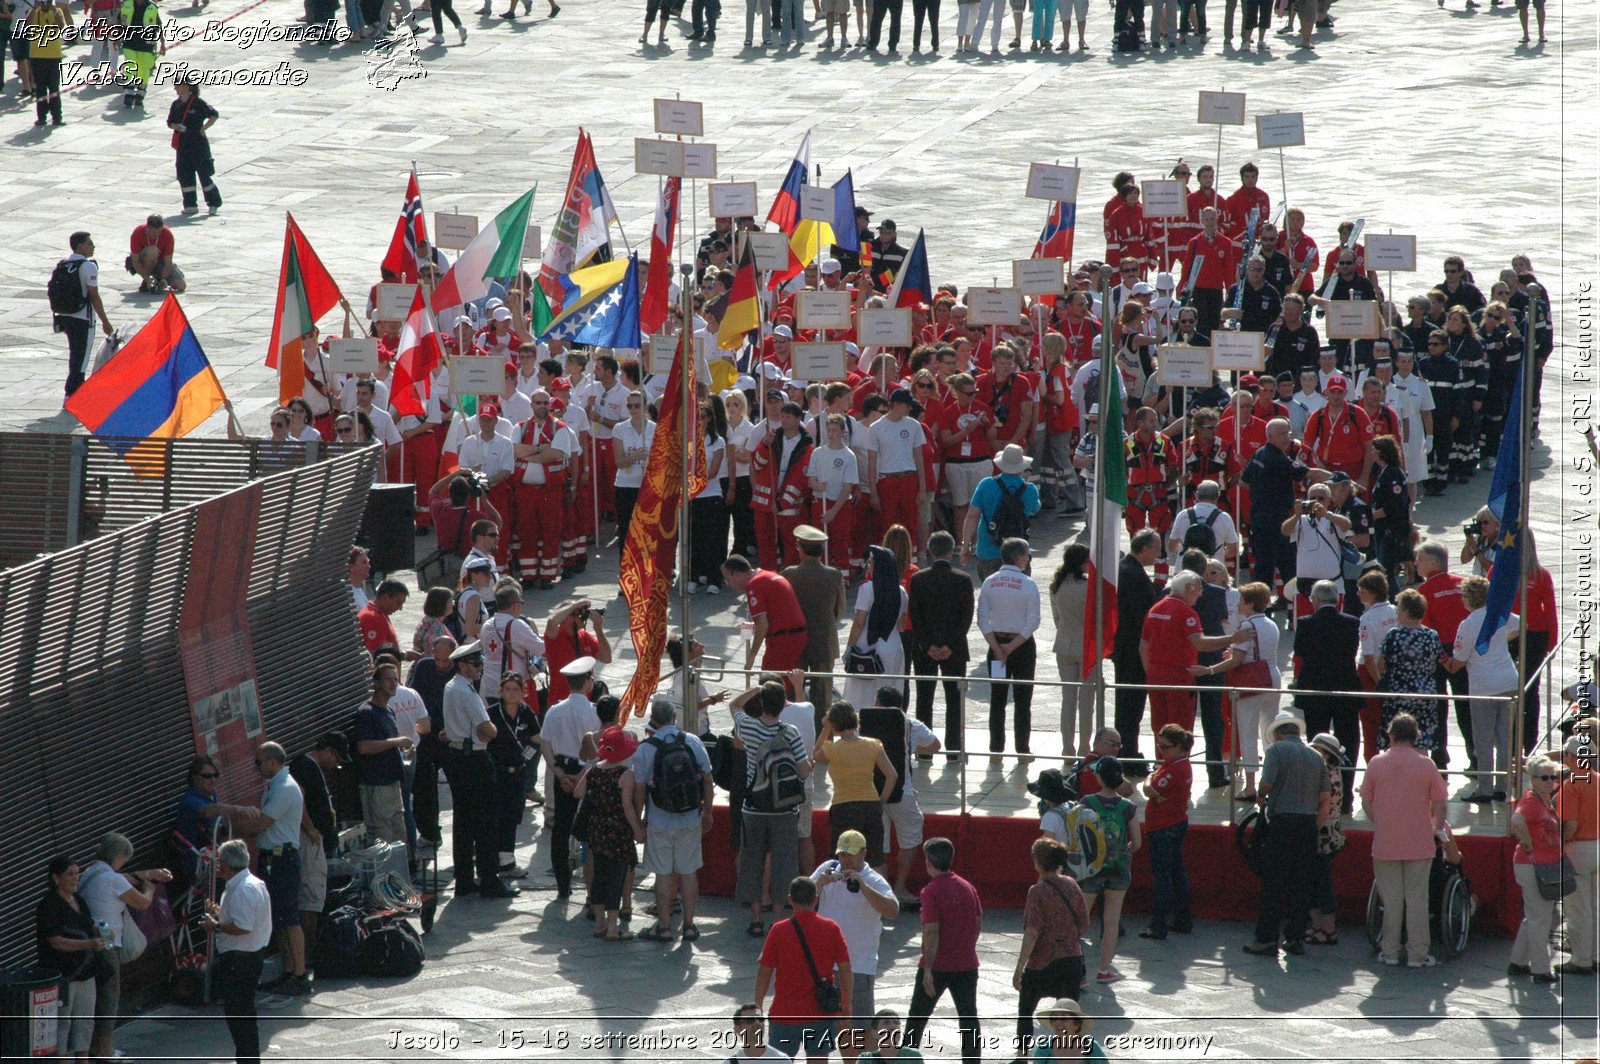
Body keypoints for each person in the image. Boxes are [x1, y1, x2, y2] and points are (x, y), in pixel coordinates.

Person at [1359, 713, 1449, 968]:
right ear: (1415, 737)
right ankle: (1417, 954)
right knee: (1417, 901)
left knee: (1392, 901)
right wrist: (1437, 827)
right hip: (1419, 841)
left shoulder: (1376, 763)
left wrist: (1380, 820)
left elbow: (1366, 799)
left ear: (1391, 735)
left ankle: (1390, 952)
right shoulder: (1426, 765)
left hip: (1387, 841)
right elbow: (1440, 802)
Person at [78, 833, 172, 1059]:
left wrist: (147, 874)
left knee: (95, 998)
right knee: (110, 997)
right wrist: (149, 888)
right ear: (118, 856)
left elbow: (124, 878)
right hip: (108, 945)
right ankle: (104, 1049)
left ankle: (89, 1047)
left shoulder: (89, 873)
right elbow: (142, 903)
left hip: (89, 944)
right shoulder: (113, 880)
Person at [1243, 709, 1328, 958]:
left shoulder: (1276, 751)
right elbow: (1324, 798)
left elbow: (1267, 782)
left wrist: (1260, 798)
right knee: (1301, 883)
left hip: (1283, 823)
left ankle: (1266, 938)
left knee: (1274, 882)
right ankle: (1295, 937)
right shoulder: (1316, 756)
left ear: (1279, 734)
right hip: (1307, 824)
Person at [734, 681, 814, 938]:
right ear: (782, 706)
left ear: (760, 703)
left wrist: (757, 688)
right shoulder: (790, 732)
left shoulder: (747, 726)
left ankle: (757, 918)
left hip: (753, 807)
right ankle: (778, 921)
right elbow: (802, 771)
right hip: (783, 811)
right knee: (783, 864)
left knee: (753, 862)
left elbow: (733, 704)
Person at [634, 697, 715, 943]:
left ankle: (665, 926)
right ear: (674, 718)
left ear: (653, 721)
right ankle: (689, 925)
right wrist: (708, 811)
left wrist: (639, 822)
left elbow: (639, 791)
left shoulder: (646, 749)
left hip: (659, 821)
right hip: (690, 817)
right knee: (689, 872)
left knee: (663, 874)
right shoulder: (692, 742)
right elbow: (708, 780)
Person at [811, 829, 898, 1057]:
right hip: (826, 966)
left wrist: (863, 887)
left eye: (850, 855)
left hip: (858, 965)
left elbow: (893, 910)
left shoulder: (872, 879)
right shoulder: (827, 869)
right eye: (842, 854)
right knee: (834, 1026)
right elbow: (800, 900)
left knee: (861, 1027)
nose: (845, 860)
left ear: (863, 854)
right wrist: (818, 884)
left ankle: (867, 1062)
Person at [442, 641, 516, 899]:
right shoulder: (467, 692)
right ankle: (489, 879)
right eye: (475, 664)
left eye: (481, 663)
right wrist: (493, 729)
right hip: (474, 758)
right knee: (486, 821)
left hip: (456, 755)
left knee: (463, 821)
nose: (480, 668)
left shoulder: (451, 687)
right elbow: (486, 730)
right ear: (462, 665)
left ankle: (464, 879)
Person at [755, 877, 853, 1064]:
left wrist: (758, 1004)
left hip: (784, 1014)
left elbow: (765, 971)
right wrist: (846, 1005)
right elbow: (846, 970)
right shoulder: (831, 928)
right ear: (816, 900)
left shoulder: (779, 930)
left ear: (790, 899)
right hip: (820, 1014)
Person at [904, 837, 982, 1064]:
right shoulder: (968, 887)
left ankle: (905, 1060)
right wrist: (965, 947)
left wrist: (928, 967)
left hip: (938, 966)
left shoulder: (930, 891)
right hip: (967, 964)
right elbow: (978, 925)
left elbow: (931, 931)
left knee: (917, 1019)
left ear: (928, 862)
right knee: (968, 1018)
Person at [1450, 575, 1521, 802]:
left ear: (1469, 598)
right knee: (1504, 738)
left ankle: (1484, 788)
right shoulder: (1499, 615)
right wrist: (1502, 640)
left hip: (1484, 687)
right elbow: (1521, 624)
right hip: (1509, 681)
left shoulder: (1468, 624)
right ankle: (1502, 786)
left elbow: (1459, 660)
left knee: (1483, 739)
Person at [1013, 837, 1090, 1047]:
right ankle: (1069, 1055)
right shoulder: (1071, 885)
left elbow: (1032, 932)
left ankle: (1022, 1056)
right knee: (1069, 1016)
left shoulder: (1036, 891)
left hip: (1042, 963)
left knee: (1026, 1011)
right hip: (1071, 960)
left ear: (1038, 863)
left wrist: (1019, 967)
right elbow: (1084, 923)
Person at [200, 840, 272, 1064]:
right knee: (242, 1016)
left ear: (228, 864)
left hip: (239, 961)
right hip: (247, 957)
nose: (218, 867)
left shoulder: (242, 889)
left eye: (220, 863)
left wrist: (216, 926)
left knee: (240, 1017)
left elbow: (243, 927)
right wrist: (220, 914)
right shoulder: (252, 883)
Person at [246, 742, 308, 995]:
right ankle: (288, 970)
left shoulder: (284, 788)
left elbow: (261, 823)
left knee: (290, 918)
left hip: (283, 860)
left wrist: (229, 830)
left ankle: (300, 974)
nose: (256, 768)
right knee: (279, 919)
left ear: (273, 762)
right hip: (272, 859)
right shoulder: (275, 787)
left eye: (259, 762)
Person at [1293, 580, 1361, 808]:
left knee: (1317, 744)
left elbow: (1300, 651)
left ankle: (1318, 795)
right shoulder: (1352, 622)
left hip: (1316, 690)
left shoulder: (1305, 623)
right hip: (1345, 688)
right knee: (1349, 742)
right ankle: (1346, 798)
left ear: (1316, 600)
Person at [575, 726, 643, 941]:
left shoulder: (594, 770)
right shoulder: (625, 775)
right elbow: (627, 807)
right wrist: (637, 831)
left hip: (597, 829)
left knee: (599, 875)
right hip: (619, 832)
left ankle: (600, 924)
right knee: (616, 877)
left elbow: (578, 792)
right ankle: (613, 928)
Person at [35, 855, 106, 1062]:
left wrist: (101, 932)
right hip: (63, 975)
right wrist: (88, 944)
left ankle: (82, 1060)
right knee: (62, 1024)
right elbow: (56, 941)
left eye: (77, 873)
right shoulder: (48, 906)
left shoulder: (79, 901)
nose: (76, 878)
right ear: (56, 879)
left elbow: (89, 925)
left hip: (86, 972)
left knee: (85, 1022)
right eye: (70, 874)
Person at [542, 657, 602, 898]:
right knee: (591, 827)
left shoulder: (555, 710)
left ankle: (562, 884)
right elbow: (598, 750)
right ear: (587, 681)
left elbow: (546, 744)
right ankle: (591, 887)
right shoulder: (595, 711)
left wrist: (558, 772)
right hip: (586, 774)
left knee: (561, 828)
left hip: (563, 773)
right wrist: (582, 775)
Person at [908, 530, 973, 755]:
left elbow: (915, 617)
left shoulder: (918, 579)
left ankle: (925, 749)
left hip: (925, 649)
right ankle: (954, 747)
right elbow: (965, 619)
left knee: (924, 698)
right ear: (951, 550)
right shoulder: (964, 580)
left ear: (930, 550)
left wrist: (928, 646)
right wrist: (950, 646)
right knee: (954, 699)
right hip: (953, 649)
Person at [1215, 582, 1281, 800]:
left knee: (1248, 733)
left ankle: (1251, 786)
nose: (1237, 604)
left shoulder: (1246, 626)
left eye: (1241, 601)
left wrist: (1208, 670)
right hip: (1272, 677)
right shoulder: (1271, 624)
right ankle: (1273, 780)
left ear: (1251, 604)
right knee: (1269, 730)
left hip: (1251, 682)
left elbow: (1237, 660)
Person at [977, 537, 1042, 759]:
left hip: (996, 648)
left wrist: (998, 648)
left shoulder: (989, 582)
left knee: (998, 698)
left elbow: (982, 619)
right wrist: (1011, 647)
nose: (1028, 559)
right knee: (1023, 699)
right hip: (1022, 647)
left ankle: (996, 747)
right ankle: (1022, 748)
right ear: (1018, 557)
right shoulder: (1028, 584)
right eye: (1027, 555)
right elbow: (1033, 621)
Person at [1075, 756, 1138, 983]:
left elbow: (1078, 835)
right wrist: (1122, 850)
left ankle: (1078, 972)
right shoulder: (1128, 807)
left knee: (1080, 920)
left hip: (1092, 867)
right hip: (1119, 869)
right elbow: (1137, 843)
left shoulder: (1087, 802)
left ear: (1099, 778)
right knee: (1111, 921)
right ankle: (1104, 969)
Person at [814, 701, 898, 865]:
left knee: (841, 860)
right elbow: (892, 775)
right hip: (870, 805)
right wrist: (880, 801)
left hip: (844, 807)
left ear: (835, 724)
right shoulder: (873, 744)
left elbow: (815, 754)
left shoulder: (833, 748)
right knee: (875, 859)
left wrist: (826, 728)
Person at [1508, 755, 1564, 984]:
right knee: (1541, 917)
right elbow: (1516, 820)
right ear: (1533, 779)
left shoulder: (1543, 798)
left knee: (1535, 915)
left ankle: (1518, 962)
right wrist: (1526, 841)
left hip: (1540, 864)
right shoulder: (1531, 801)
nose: (1551, 781)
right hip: (1532, 864)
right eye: (1545, 778)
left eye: (1553, 777)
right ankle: (1541, 969)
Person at [783, 525, 848, 718]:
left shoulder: (788, 574)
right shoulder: (835, 575)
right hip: (824, 640)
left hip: (797, 640)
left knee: (795, 690)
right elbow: (840, 610)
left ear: (800, 548)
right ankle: (823, 735)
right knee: (824, 696)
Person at [1377, 590, 1448, 763]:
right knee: (1422, 738)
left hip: (1398, 693)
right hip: (1425, 693)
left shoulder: (1394, 635)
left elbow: (1381, 664)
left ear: (1407, 611)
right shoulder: (1432, 635)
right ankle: (1422, 776)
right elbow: (1439, 661)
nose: (1397, 612)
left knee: (1396, 737)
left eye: (1399, 608)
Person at [287, 734, 343, 954]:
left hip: (316, 840)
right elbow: (298, 797)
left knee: (315, 896)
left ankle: (309, 949)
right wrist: (310, 828)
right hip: (309, 841)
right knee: (310, 897)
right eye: (337, 757)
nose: (337, 764)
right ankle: (307, 952)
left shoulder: (313, 767)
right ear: (327, 750)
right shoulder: (305, 766)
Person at [1141, 724, 1195, 940]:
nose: (1160, 750)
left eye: (1165, 746)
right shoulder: (1175, 764)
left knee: (1164, 878)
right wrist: (1151, 785)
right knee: (1177, 874)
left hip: (1164, 828)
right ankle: (1183, 920)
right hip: (1173, 824)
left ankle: (1158, 926)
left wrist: (1149, 781)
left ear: (1180, 747)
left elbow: (1148, 788)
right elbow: (1151, 790)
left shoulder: (1176, 769)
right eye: (1158, 745)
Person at [1112, 530, 1161, 758]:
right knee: (1131, 705)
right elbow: (1145, 616)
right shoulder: (1134, 575)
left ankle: (1126, 749)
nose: (1158, 554)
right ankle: (1128, 753)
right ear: (1145, 548)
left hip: (1123, 647)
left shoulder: (1124, 568)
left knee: (1126, 704)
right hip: (1133, 650)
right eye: (1156, 549)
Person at [960, 444, 1041, 579]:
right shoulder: (1029, 489)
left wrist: (966, 545)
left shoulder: (986, 484)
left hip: (987, 550)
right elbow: (1034, 509)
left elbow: (972, 516)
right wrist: (1025, 481)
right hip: (1018, 553)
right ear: (1022, 467)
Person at [353, 659, 413, 845]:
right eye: (388, 679)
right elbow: (363, 746)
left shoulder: (388, 710)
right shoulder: (367, 712)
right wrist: (396, 742)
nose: (393, 683)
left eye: (396, 679)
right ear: (377, 682)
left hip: (393, 784)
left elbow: (388, 745)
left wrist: (405, 751)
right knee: (382, 840)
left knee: (399, 839)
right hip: (376, 786)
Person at [842, 546, 908, 712]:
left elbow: (859, 623)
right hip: (893, 647)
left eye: (870, 561)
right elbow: (901, 626)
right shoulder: (901, 591)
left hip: (867, 648)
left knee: (861, 696)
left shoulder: (866, 589)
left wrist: (849, 647)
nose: (868, 565)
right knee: (889, 697)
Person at [1049, 543, 1098, 759]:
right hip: (1086, 648)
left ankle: (1067, 747)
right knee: (1086, 703)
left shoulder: (1056, 585)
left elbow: (1056, 619)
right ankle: (1084, 747)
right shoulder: (1089, 588)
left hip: (1064, 645)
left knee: (1067, 700)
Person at [487, 674, 539, 877]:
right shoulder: (492, 712)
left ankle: (507, 861)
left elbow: (537, 739)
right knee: (494, 818)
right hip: (496, 773)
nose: (511, 693)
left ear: (523, 692)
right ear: (501, 691)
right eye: (507, 689)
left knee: (512, 817)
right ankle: (491, 860)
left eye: (515, 689)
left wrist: (528, 757)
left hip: (517, 774)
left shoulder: (526, 712)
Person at [725, 554, 811, 675]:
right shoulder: (769, 575)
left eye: (727, 579)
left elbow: (763, 625)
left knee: (771, 682)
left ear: (737, 574)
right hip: (793, 636)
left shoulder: (755, 584)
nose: (728, 584)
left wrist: (750, 659)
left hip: (783, 640)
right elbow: (779, 613)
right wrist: (754, 626)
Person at [52, 232, 114, 398]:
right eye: (90, 243)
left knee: (75, 353)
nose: (93, 246)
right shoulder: (88, 266)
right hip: (82, 319)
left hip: (65, 316)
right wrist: (105, 322)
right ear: (80, 246)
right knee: (81, 358)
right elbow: (94, 296)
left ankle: (74, 391)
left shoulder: (64, 264)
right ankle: (72, 394)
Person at [1557, 732, 1598, 975]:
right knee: (1596, 906)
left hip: (1579, 849)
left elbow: (1569, 824)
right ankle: (1596, 955)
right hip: (1599, 845)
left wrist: (1560, 844)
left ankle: (1581, 959)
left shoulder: (1571, 785)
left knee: (1577, 908)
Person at [1305, 732, 1347, 945]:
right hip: (1330, 831)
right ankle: (1318, 926)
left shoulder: (1326, 775)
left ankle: (1326, 929)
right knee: (1316, 881)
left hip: (1323, 832)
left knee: (1321, 883)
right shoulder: (1330, 772)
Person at [167, 77, 222, 215]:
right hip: (182, 147)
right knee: (184, 175)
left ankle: (213, 203)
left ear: (186, 86)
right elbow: (170, 122)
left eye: (177, 86)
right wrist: (176, 127)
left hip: (199, 146)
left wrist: (204, 128)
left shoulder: (198, 103)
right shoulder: (176, 104)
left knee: (204, 174)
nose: (175, 89)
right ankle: (190, 204)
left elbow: (214, 115)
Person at [1029, 999, 1106, 1062]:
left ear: (1076, 1024)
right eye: (1054, 1018)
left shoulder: (1092, 1048)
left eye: (1064, 1017)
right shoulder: (1043, 1050)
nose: (1058, 1022)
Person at [127, 214, 186, 295]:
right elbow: (135, 260)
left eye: (159, 232)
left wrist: (164, 278)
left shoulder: (167, 234)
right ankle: (147, 280)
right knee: (153, 250)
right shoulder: (138, 232)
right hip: (144, 261)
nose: (156, 235)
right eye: (153, 232)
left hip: (161, 262)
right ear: (147, 227)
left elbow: (168, 262)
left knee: (181, 286)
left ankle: (158, 280)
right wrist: (146, 278)